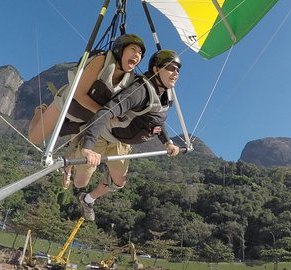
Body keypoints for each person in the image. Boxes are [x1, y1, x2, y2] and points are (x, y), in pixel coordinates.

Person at [72, 49, 182, 221]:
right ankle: (76, 150)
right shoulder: (139, 91)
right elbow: (105, 112)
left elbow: (156, 121)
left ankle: (88, 199)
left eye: (178, 70)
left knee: (118, 182)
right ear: (156, 69)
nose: (176, 73)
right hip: (102, 135)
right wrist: (88, 147)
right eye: (171, 68)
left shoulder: (166, 96)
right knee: (80, 182)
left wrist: (167, 142)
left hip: (120, 143)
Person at [27, 34, 145, 187]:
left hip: (88, 118)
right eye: (133, 49)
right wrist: (106, 114)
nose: (137, 55)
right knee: (34, 138)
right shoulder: (102, 61)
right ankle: (40, 110)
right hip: (69, 106)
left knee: (80, 148)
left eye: (141, 53)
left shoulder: (130, 79)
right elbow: (79, 94)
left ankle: (68, 167)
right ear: (120, 50)